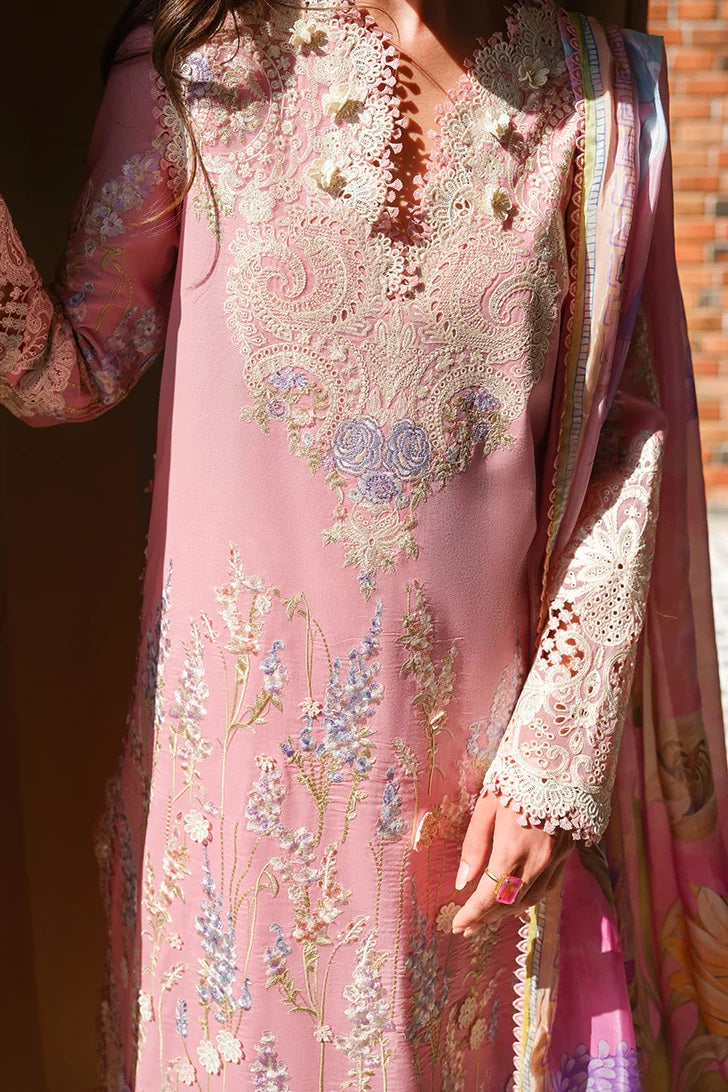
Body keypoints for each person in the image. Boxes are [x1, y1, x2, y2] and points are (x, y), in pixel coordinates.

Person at [1, 0, 727, 1087]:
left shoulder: (596, 101)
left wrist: (553, 759)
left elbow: (625, 441)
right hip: (240, 818)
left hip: (472, 812)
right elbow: (67, 374)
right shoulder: (197, 65)